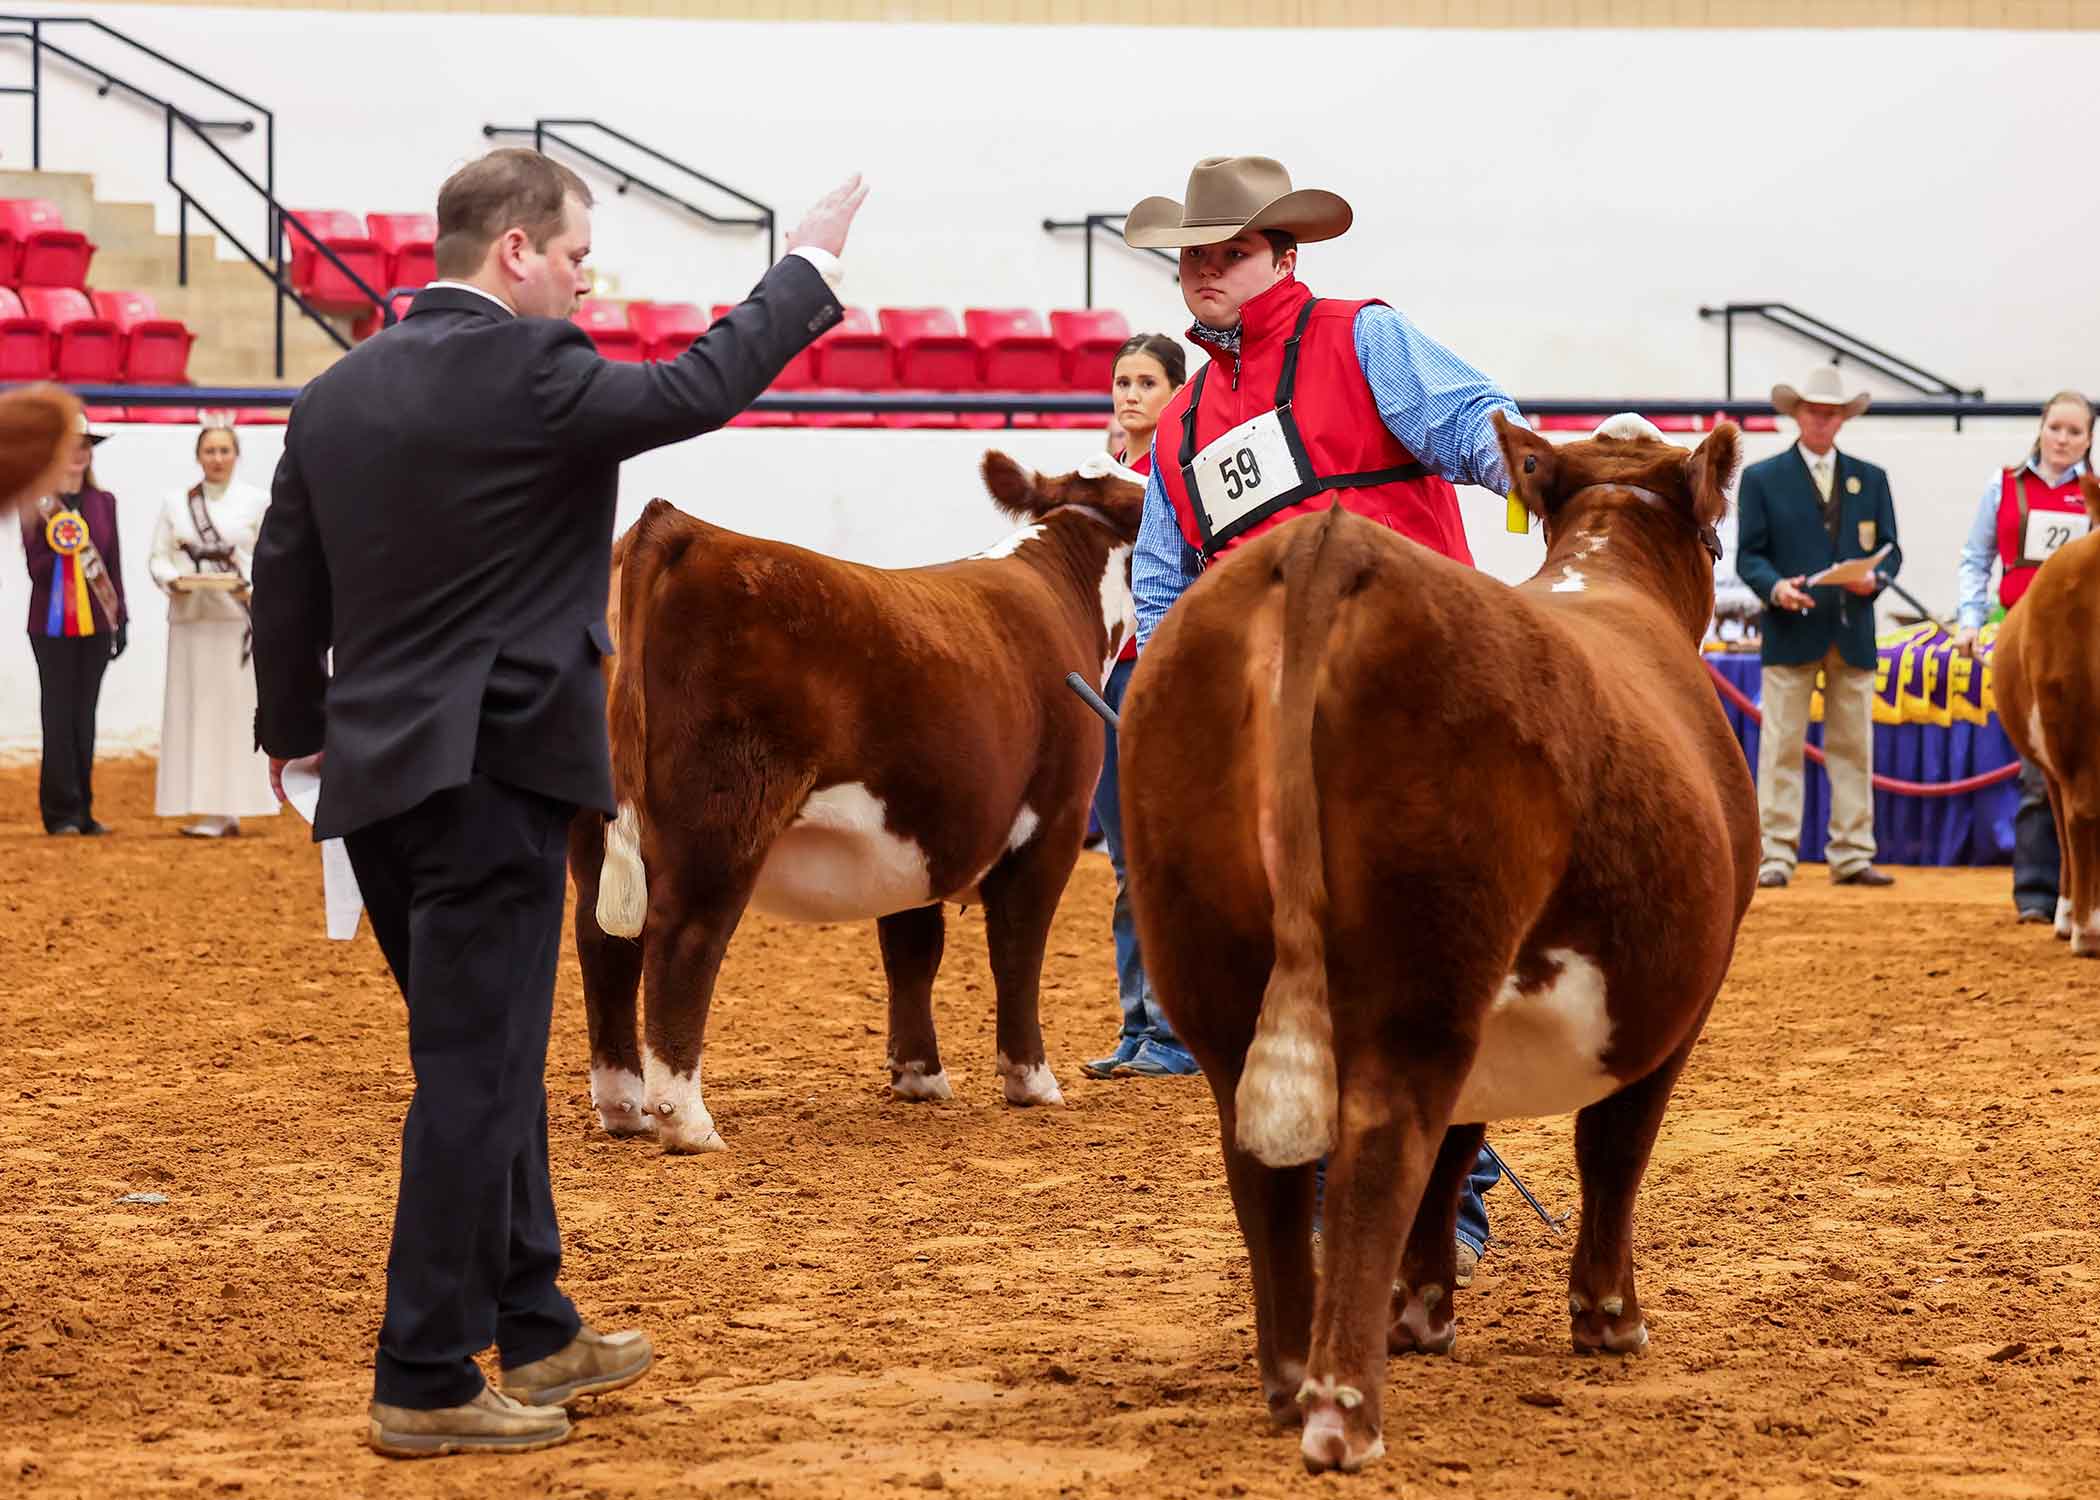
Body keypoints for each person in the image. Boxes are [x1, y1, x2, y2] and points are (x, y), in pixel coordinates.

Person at [250, 146, 865, 1460]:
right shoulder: (535, 371)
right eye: (578, 257)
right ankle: (422, 1371)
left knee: (486, 1055)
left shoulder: (337, 393)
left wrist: (296, 735)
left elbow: (286, 565)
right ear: (516, 250)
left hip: (381, 784)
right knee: (472, 1077)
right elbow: (703, 385)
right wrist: (806, 262)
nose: (587, 285)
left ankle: (533, 1322)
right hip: (499, 778)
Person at [1121, 154, 1508, 1282]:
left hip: (1415, 698)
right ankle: (1341, 1186)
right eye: (1194, 255)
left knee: (1431, 959)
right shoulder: (1184, 418)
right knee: (1282, 963)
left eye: (1231, 251)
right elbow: (1163, 585)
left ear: (1284, 255)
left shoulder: (1361, 336)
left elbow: (1477, 424)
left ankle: (1455, 1196)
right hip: (1266, 728)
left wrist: (1544, 480)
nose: (1207, 270)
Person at [1735, 365, 1903, 890]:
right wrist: (1776, 587)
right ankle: (1776, 854)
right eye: (1814, 412)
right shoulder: (1762, 479)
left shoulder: (1871, 479)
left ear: (1842, 420)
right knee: (1781, 745)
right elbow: (1750, 555)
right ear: (1798, 415)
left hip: (1851, 629)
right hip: (1791, 627)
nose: (1822, 421)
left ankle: (1852, 852)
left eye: (1831, 413)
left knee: (1854, 746)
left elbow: (1892, 550)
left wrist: (1873, 580)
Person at [1084, 333, 1199, 1080]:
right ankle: (1142, 1025)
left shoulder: (1180, 475)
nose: (1129, 394)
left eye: (1147, 382)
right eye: (1122, 381)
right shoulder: (1107, 475)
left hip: (1151, 674)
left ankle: (1173, 1030)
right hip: (1106, 676)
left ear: (1176, 395)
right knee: (1131, 862)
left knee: (1161, 858)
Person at [1952, 389, 2092, 924]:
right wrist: (1970, 622)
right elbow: (1976, 557)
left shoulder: (2095, 493)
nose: (2062, 439)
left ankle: (2082, 892)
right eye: (2056, 427)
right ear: (2042, 427)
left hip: (2086, 646)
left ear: (2087, 440)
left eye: (2075, 432)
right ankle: (2038, 891)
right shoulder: (2004, 485)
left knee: (2087, 771)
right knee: (2040, 771)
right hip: (2023, 638)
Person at [149, 418, 278, 838]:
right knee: (195, 712)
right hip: (191, 620)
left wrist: (253, 588)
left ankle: (236, 805)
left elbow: (270, 558)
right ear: (198, 456)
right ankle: (205, 806)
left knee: (236, 715)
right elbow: (159, 557)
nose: (217, 458)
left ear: (236, 455)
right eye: (210, 451)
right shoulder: (175, 502)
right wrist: (172, 581)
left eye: (225, 451)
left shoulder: (257, 502)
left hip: (235, 623)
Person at [21, 410, 127, 836]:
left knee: (85, 715)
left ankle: (84, 809)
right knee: (58, 713)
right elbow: (36, 568)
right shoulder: (36, 504)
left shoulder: (105, 504)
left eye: (84, 446)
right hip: (50, 626)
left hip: (98, 624)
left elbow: (113, 563)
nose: (78, 454)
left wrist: (122, 617)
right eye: (70, 446)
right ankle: (59, 810)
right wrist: (63, 546)